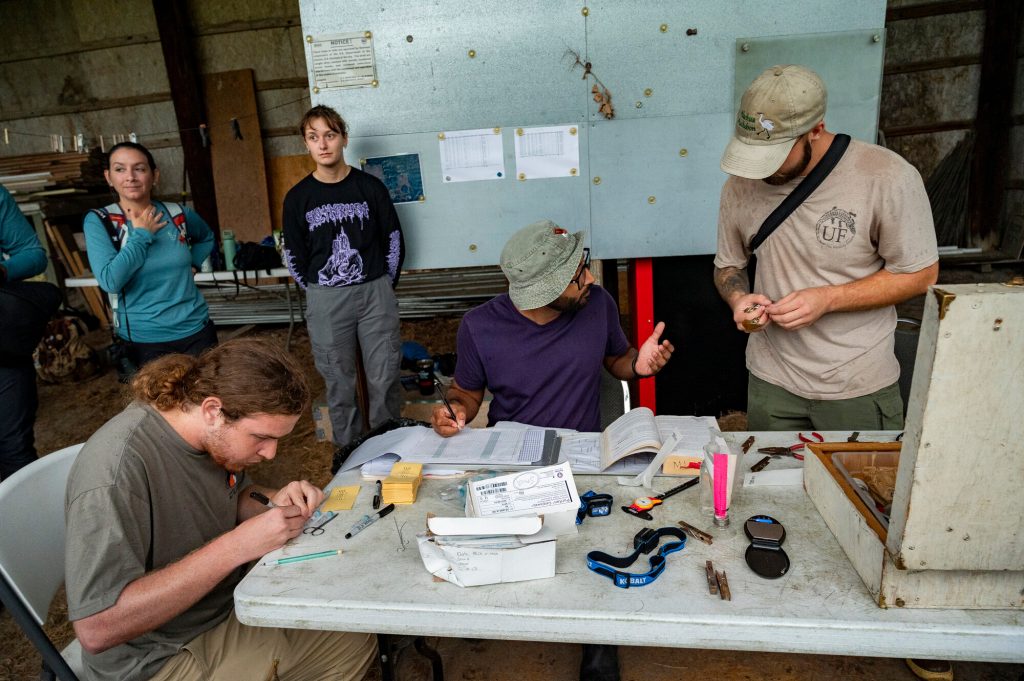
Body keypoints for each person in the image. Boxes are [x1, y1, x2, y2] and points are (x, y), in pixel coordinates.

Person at [431, 219, 674, 681]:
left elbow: (615, 362)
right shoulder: (480, 327)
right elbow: (466, 395)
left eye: (583, 266)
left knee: (602, 546)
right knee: (507, 551)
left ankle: (598, 641)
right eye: (577, 274)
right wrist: (451, 412)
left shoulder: (596, 304)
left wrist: (638, 366)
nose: (591, 278)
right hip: (513, 458)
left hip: (585, 458)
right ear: (543, 291)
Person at [64, 338, 376, 681]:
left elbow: (234, 494)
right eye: (261, 438)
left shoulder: (207, 435)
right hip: (158, 658)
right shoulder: (115, 472)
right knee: (341, 644)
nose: (271, 454)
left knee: (352, 637)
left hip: (222, 609)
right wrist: (236, 547)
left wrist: (275, 500)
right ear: (213, 410)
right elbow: (96, 628)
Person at [713, 64, 939, 433]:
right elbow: (728, 266)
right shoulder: (739, 187)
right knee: (770, 489)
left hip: (856, 386)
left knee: (859, 489)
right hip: (771, 383)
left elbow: (921, 274)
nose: (759, 171)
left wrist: (828, 299)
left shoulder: (886, 176)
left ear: (815, 130)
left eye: (774, 154)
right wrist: (738, 298)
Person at [283, 105, 405, 451]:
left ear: (344, 139)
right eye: (313, 137)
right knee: (339, 383)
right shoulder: (298, 199)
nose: (323, 144)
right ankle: (349, 458)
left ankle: (388, 450)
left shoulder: (370, 189)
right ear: (306, 144)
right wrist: (322, 292)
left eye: (330, 135)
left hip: (374, 292)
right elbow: (293, 254)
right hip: (326, 297)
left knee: (384, 377)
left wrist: (382, 284)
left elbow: (393, 239)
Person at [83, 141, 217, 371]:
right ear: (108, 177)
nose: (130, 177)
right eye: (120, 169)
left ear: (154, 175)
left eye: (140, 168)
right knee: (158, 406)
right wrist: (142, 234)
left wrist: (193, 262)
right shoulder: (101, 221)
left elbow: (206, 237)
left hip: (196, 329)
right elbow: (110, 281)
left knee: (205, 401)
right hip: (144, 339)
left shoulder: (177, 214)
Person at [0, 185, 49, 480]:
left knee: (14, 449)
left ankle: (26, 522)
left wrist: (3, 271)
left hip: (2, 348)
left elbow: (33, 254)